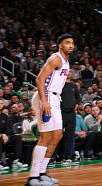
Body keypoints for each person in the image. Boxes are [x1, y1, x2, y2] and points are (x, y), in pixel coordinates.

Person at [26, 33, 72, 186]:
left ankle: (42, 173)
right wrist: (44, 101)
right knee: (45, 137)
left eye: (72, 43)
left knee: (57, 135)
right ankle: (33, 177)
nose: (71, 45)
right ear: (60, 45)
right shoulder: (56, 58)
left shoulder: (66, 61)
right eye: (67, 42)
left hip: (54, 98)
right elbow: (39, 79)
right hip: (45, 96)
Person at [60, 70, 80, 162]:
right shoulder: (59, 85)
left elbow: (78, 99)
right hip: (61, 113)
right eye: (69, 71)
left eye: (72, 72)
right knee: (57, 135)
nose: (70, 73)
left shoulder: (74, 86)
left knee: (70, 136)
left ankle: (67, 157)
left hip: (72, 113)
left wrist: (75, 108)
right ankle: (53, 157)